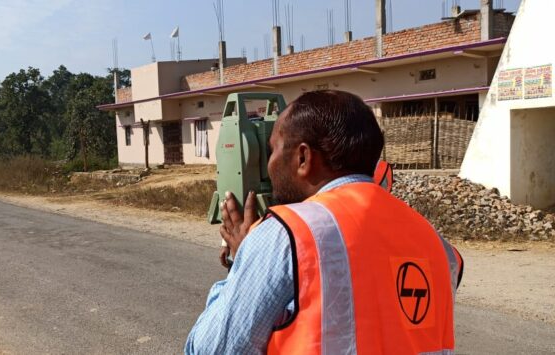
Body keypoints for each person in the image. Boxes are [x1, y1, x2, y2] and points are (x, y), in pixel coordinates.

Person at [186, 90, 463, 354]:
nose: (270, 165)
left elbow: (211, 349)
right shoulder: (437, 245)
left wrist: (244, 258)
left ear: (303, 157)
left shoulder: (287, 236)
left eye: (273, 150)